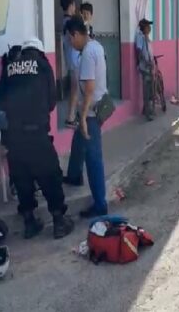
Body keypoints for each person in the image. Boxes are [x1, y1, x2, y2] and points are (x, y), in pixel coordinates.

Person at [0, 38, 74, 239]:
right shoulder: (43, 65)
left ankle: (30, 223)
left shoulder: (10, 65)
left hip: (14, 136)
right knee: (50, 176)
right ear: (39, 50)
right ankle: (59, 222)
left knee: (22, 178)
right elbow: (52, 102)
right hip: (37, 133)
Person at [63, 17, 109, 218]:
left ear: (76, 34)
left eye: (70, 39)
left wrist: (82, 118)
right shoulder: (95, 46)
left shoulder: (88, 53)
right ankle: (74, 175)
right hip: (94, 108)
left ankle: (100, 204)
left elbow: (89, 88)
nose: (70, 44)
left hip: (91, 112)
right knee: (79, 143)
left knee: (93, 159)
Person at [60, 0, 81, 128]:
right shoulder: (70, 22)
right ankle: (71, 117)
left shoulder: (64, 21)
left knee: (75, 88)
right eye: (74, 5)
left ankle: (72, 115)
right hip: (74, 59)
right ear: (71, 4)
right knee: (75, 89)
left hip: (70, 58)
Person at [135, 18, 155, 121]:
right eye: (147, 26)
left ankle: (146, 109)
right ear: (143, 28)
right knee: (147, 91)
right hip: (145, 67)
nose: (149, 28)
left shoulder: (146, 37)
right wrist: (145, 62)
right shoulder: (140, 37)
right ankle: (148, 113)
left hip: (149, 65)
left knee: (150, 89)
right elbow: (139, 51)